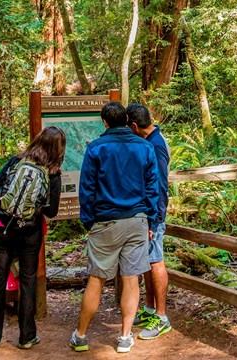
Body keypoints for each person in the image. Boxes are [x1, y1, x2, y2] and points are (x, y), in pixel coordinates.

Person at [69, 101, 160, 353]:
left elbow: (87, 188)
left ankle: (81, 335)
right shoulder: (144, 147)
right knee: (131, 279)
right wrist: (150, 219)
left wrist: (88, 220)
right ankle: (124, 336)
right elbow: (153, 187)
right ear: (126, 121)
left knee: (96, 280)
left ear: (105, 122)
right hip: (137, 219)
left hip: (106, 220)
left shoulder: (96, 148)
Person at [0, 126, 66, 351]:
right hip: (30, 233)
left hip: (2, 228)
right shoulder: (53, 172)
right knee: (28, 281)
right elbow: (52, 212)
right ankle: (26, 336)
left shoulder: (15, 161)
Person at [126, 103, 172, 340]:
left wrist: (155, 222)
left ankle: (162, 318)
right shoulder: (150, 141)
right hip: (148, 214)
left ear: (134, 126)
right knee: (148, 261)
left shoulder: (155, 146)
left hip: (154, 216)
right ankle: (150, 309)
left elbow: (161, 185)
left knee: (156, 262)